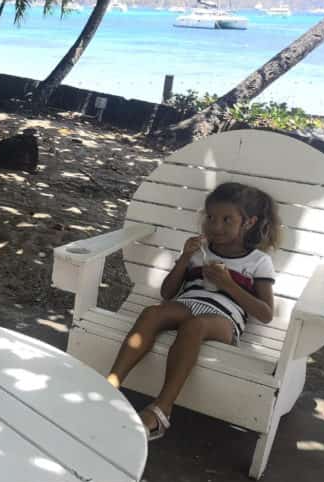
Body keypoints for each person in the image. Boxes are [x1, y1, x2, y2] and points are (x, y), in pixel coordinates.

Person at [106, 182, 279, 440]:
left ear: (249, 223)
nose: (215, 226)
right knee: (152, 313)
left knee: (196, 325)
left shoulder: (258, 261)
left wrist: (228, 284)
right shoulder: (199, 252)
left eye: (227, 220)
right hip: (187, 303)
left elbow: (265, 314)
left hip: (224, 319)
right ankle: (111, 384)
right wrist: (185, 258)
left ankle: (161, 409)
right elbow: (168, 293)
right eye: (210, 217)